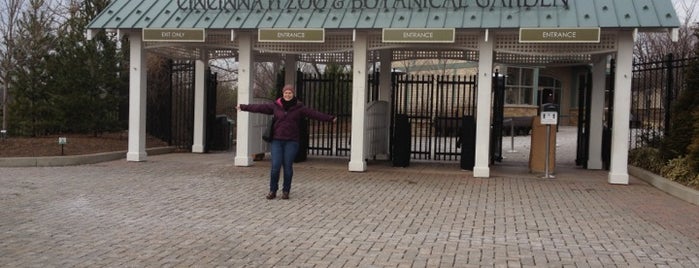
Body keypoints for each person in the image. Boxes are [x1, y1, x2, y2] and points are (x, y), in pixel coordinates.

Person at [237, 84, 337, 200]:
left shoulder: (299, 108)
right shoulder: (275, 106)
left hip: (292, 141)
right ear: (283, 93)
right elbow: (259, 108)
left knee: (288, 167)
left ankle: (286, 191)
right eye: (286, 93)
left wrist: (330, 118)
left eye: (290, 93)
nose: (288, 95)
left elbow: (314, 114)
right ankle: (273, 190)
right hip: (277, 141)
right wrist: (243, 107)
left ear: (293, 94)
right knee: (275, 166)